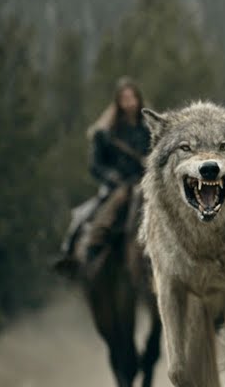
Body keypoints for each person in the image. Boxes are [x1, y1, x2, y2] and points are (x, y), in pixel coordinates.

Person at [53, 77, 152, 278]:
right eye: (124, 97)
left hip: (148, 183)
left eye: (132, 97)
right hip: (120, 185)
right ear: (117, 102)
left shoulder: (150, 128)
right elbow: (96, 165)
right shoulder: (107, 132)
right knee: (102, 212)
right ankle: (87, 250)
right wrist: (112, 177)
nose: (129, 101)